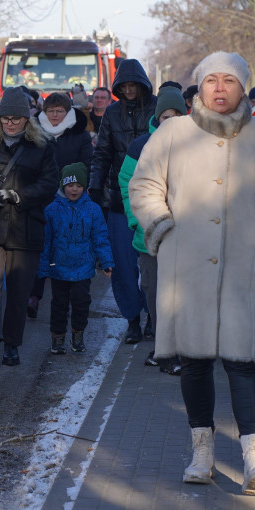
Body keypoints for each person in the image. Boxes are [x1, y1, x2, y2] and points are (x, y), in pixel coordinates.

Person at [128, 52, 255, 494]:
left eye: (229, 80)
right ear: (200, 87)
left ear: (244, 87)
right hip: (187, 268)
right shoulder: (173, 134)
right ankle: (202, 452)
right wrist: (163, 226)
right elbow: (144, 184)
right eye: (211, 81)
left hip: (247, 266)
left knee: (246, 363)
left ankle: (254, 459)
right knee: (195, 362)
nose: (220, 88)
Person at [0, 87, 59, 368]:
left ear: (27, 119)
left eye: (16, 118)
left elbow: (50, 183)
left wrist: (20, 196)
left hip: (25, 229)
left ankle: (12, 345)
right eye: (6, 118)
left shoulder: (42, 147)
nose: (10, 123)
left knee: (18, 290)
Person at [118, 85, 188, 375]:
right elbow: (128, 187)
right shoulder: (140, 146)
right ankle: (164, 349)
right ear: (157, 118)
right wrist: (140, 221)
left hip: (186, 238)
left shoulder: (197, 145)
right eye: (165, 115)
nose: (169, 120)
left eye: (176, 115)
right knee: (155, 294)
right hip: (150, 238)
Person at [89, 59, 157, 344]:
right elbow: (103, 152)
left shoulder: (156, 109)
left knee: (153, 265)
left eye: (133, 86)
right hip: (117, 199)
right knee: (122, 265)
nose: (129, 91)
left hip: (154, 198)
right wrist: (95, 187)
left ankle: (154, 315)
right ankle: (132, 319)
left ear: (142, 84)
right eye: (124, 86)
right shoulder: (112, 114)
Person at [27, 91, 93, 318]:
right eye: (51, 111)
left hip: (69, 198)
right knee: (41, 246)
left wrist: (72, 186)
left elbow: (86, 165)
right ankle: (34, 296)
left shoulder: (80, 136)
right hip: (41, 197)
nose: (55, 115)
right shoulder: (34, 133)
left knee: (65, 246)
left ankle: (69, 294)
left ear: (68, 112)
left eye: (59, 111)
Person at [38, 163, 113, 355]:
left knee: (81, 303)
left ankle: (78, 334)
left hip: (83, 267)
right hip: (59, 267)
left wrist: (106, 262)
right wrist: (43, 267)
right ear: (63, 185)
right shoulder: (52, 210)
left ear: (84, 187)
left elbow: (100, 237)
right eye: (70, 185)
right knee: (59, 304)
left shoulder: (93, 210)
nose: (74, 189)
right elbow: (46, 241)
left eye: (78, 185)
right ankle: (58, 337)